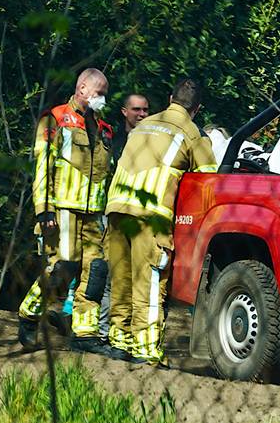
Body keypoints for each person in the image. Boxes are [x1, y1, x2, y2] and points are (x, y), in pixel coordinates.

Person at [104, 78, 217, 365]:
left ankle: (119, 339)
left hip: (117, 206)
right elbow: (208, 179)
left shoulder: (144, 124)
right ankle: (146, 349)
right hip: (150, 214)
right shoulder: (192, 133)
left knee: (121, 277)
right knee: (149, 281)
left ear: (170, 98)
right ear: (197, 108)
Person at [17, 68, 114, 353]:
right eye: (99, 92)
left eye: (105, 94)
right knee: (63, 268)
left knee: (95, 272)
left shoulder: (104, 129)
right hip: (63, 209)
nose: (102, 99)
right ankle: (29, 313)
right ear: (82, 88)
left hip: (94, 214)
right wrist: (43, 210)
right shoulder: (56, 118)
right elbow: (42, 166)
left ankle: (85, 334)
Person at [113, 94, 150, 165]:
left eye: (145, 110)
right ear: (124, 112)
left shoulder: (153, 139)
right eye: (136, 109)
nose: (142, 114)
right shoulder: (113, 138)